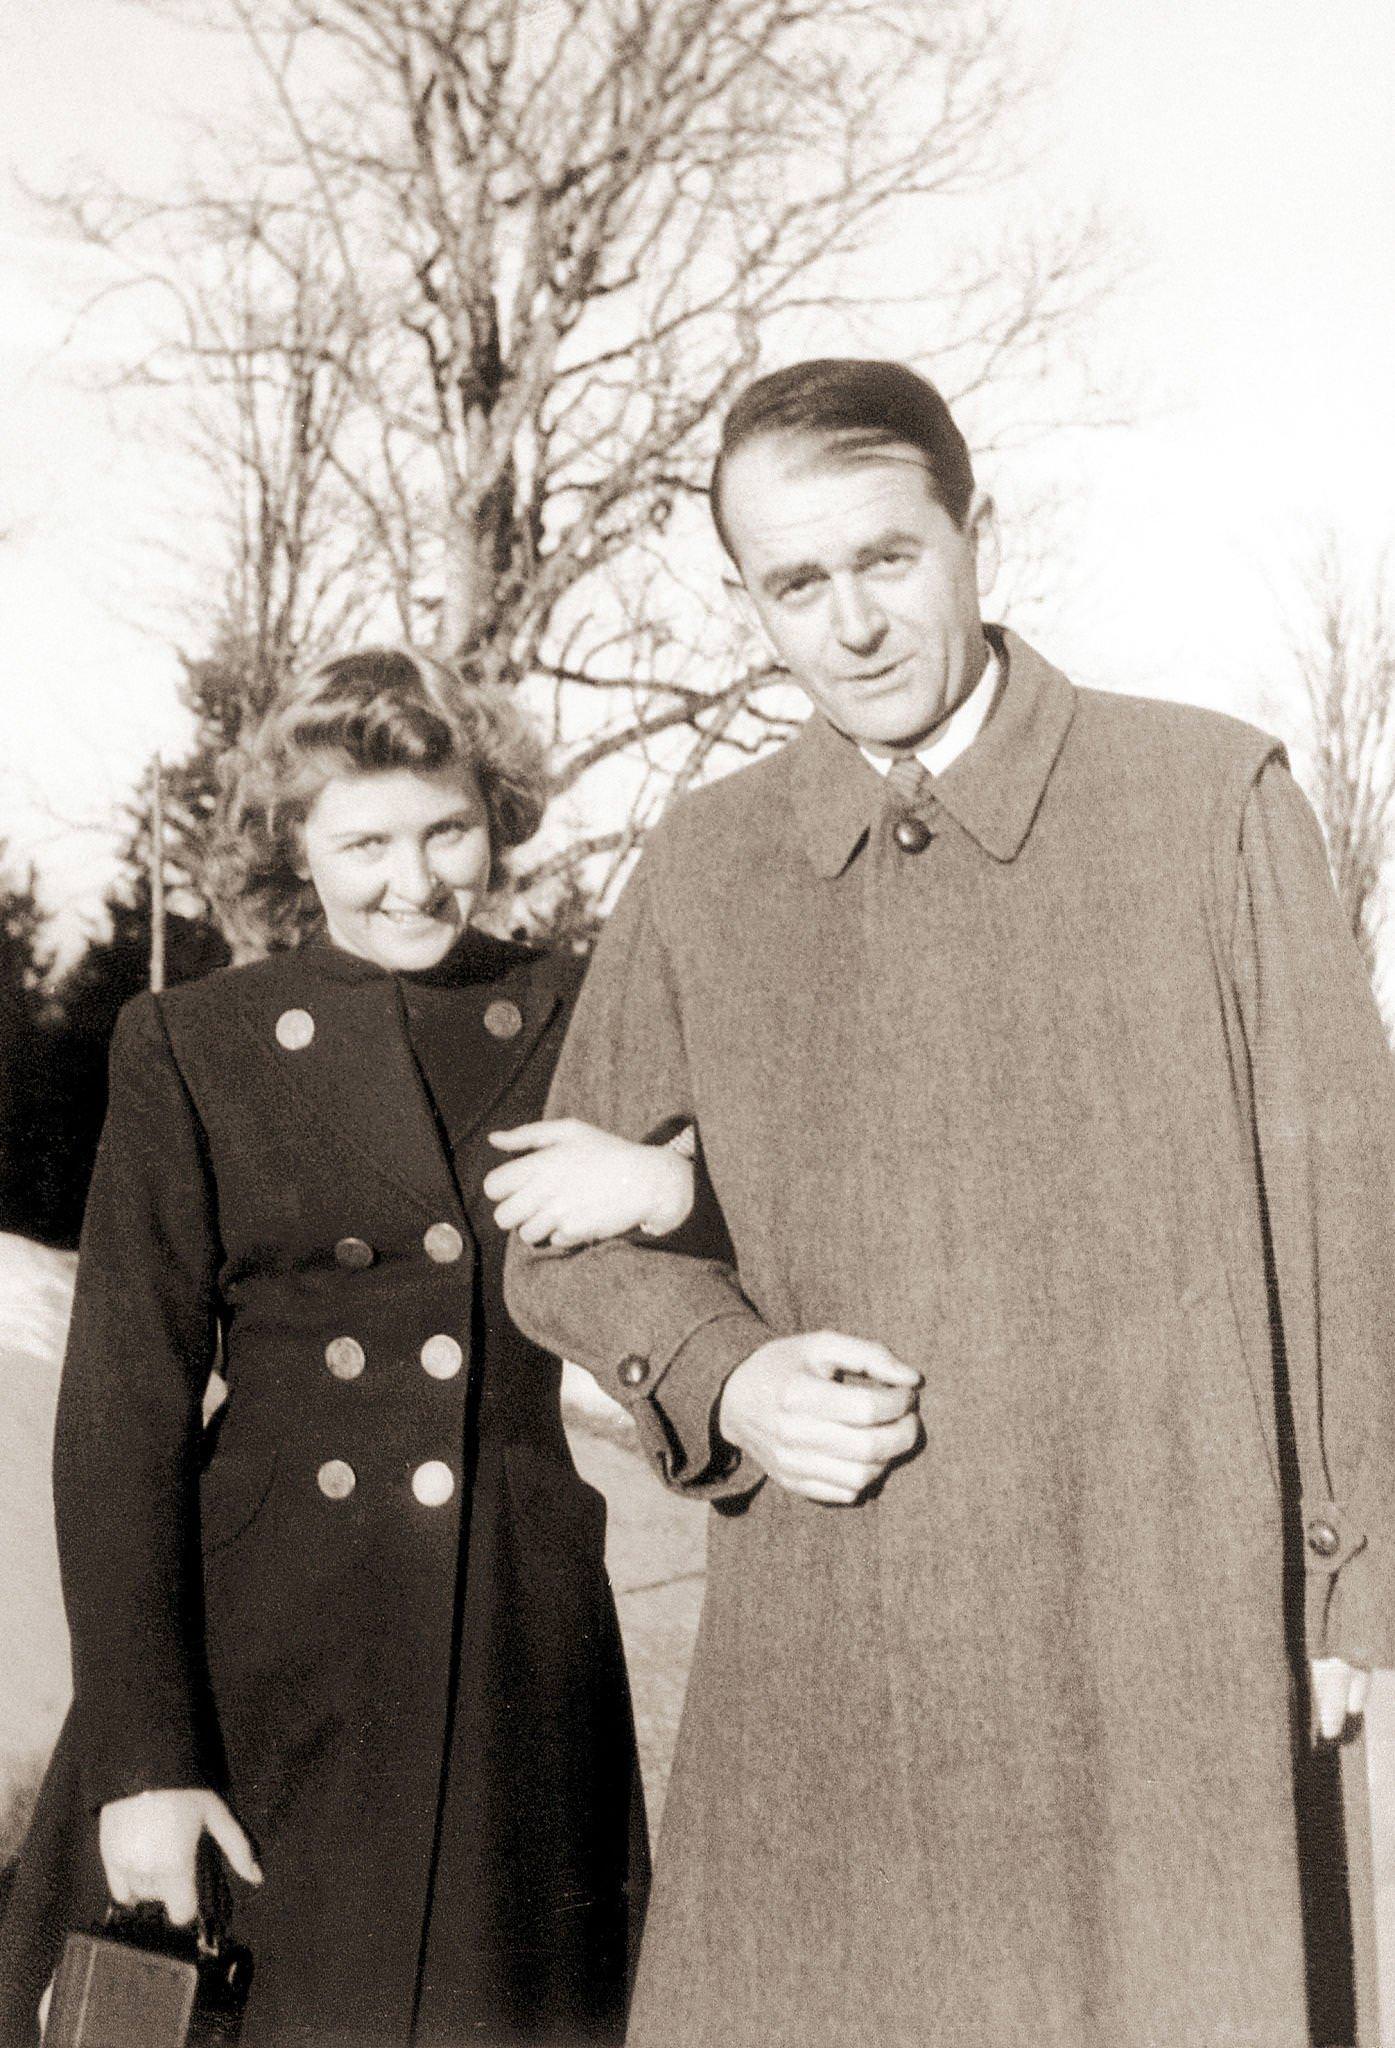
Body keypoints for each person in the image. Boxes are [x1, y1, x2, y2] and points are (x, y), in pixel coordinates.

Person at [504, 358, 1395, 2048]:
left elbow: (1348, 1211)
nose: (850, 624)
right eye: (796, 583)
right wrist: (722, 1371)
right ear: (748, 601)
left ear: (978, 532)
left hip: (1169, 1635)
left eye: (889, 560)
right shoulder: (707, 857)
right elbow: (557, 1226)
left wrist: (1358, 1576)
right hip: (842, 1663)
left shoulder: (1209, 802)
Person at [0, 646, 708, 2048]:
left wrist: (678, 1187)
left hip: (512, 1638)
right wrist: (146, 1760)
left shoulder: (585, 1011)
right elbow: (121, 1409)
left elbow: (746, 1223)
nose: (416, 879)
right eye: (365, 841)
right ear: (296, 851)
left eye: (449, 828)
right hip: (260, 1657)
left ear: (498, 816)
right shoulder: (194, 1045)